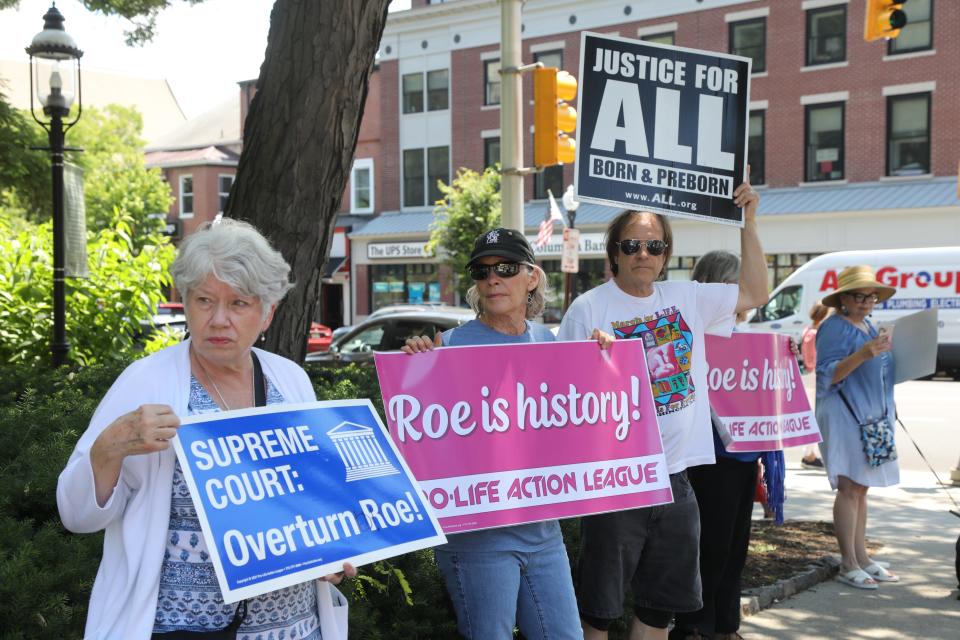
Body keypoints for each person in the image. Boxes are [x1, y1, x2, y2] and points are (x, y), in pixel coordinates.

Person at [57, 219, 354, 639]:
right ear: (186, 303)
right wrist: (109, 449)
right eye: (204, 300)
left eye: (238, 304)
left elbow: (315, 499)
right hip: (179, 627)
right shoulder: (145, 382)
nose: (218, 320)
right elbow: (75, 515)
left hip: (295, 628)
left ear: (267, 312)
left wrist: (333, 550)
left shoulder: (290, 380)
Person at [557, 176, 767, 640]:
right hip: (616, 483)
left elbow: (754, 293)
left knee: (659, 610)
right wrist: (595, 367)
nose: (643, 253)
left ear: (666, 254)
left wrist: (748, 222)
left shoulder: (688, 297)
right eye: (631, 244)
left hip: (676, 480)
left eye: (654, 245)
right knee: (599, 609)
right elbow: (561, 403)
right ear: (614, 252)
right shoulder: (587, 310)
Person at [403, 227, 609, 640]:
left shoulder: (547, 342)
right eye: (482, 271)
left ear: (531, 276)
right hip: (479, 536)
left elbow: (574, 424)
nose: (492, 278)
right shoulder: (448, 348)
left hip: (542, 531)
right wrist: (415, 368)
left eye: (505, 268)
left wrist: (603, 359)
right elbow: (426, 443)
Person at [670, 250, 783, 640]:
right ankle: (694, 625)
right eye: (738, 284)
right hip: (709, 457)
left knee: (735, 548)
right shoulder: (694, 337)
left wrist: (784, 362)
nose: (746, 294)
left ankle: (726, 625)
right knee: (710, 548)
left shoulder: (749, 339)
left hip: (744, 457)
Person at [816, 265, 900, 589]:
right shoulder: (834, 327)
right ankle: (848, 562)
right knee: (850, 488)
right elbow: (827, 376)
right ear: (844, 299)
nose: (866, 301)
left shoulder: (867, 325)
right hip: (843, 414)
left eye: (872, 296)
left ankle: (861, 557)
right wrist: (864, 354)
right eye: (859, 295)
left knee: (861, 488)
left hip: (867, 416)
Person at [800, 303, 831, 470]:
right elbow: (813, 360)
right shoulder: (816, 333)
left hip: (809, 375)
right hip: (816, 376)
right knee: (815, 416)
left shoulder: (807, 330)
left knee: (813, 415)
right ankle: (809, 454)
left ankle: (810, 453)